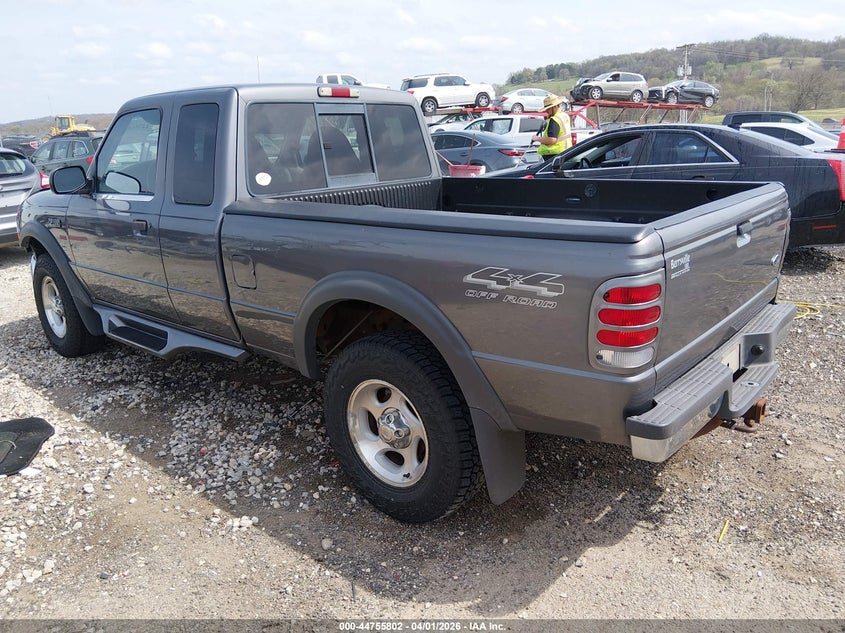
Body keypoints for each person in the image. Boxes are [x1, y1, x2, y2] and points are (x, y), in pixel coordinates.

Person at [532, 94, 572, 162]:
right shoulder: (564, 116)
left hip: (554, 155)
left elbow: (552, 140)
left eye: (548, 109)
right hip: (566, 151)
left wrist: (537, 138)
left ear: (554, 107)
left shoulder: (554, 119)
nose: (546, 111)